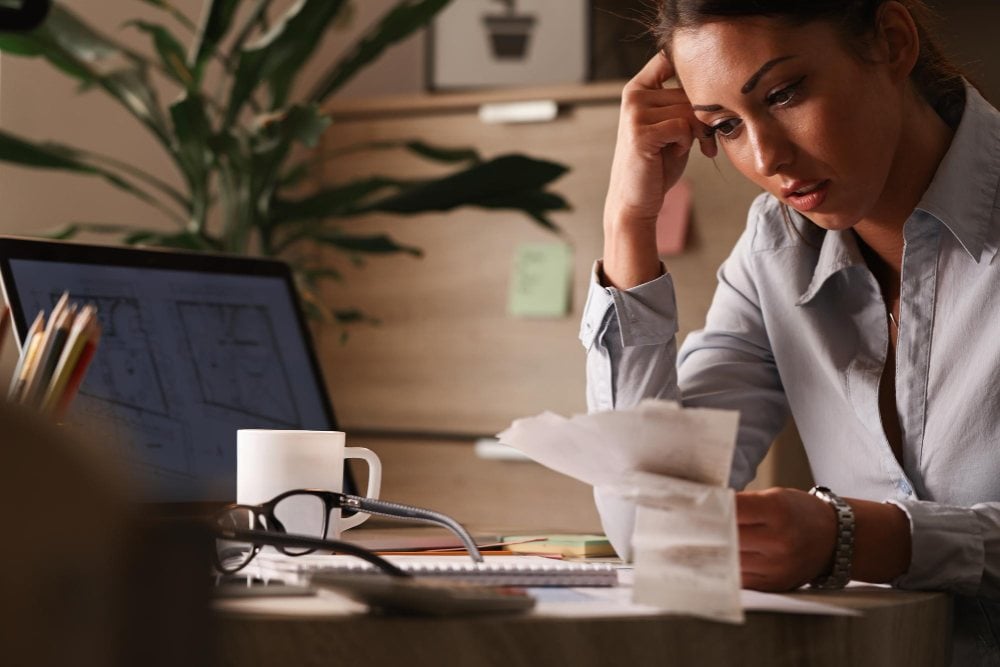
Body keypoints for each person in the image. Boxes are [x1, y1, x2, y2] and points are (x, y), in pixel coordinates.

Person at [580, 1, 999, 663]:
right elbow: (652, 524)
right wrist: (629, 223)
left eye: (784, 93)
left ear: (891, 42)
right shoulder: (774, 251)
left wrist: (862, 537)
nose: (768, 157)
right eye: (724, 126)